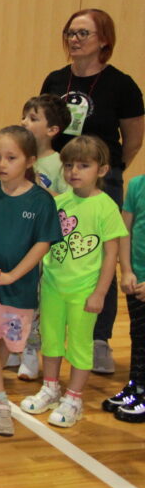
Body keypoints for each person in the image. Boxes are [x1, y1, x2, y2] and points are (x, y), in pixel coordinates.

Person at [40, 8, 144, 374]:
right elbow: (44, 127)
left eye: (83, 33)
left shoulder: (121, 84)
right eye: (70, 32)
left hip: (102, 180)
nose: (74, 39)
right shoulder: (55, 80)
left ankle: (99, 338)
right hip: (58, 176)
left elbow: (133, 139)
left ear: (104, 40)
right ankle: (46, 330)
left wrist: (107, 173)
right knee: (56, 248)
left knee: (100, 255)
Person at [0, 126, 61, 437]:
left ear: (29, 160)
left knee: (8, 341)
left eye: (11, 157)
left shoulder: (42, 201)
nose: (1, 164)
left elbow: (43, 244)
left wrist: (13, 276)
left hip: (19, 290)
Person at [20, 136, 126, 428]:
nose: (74, 171)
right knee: (52, 340)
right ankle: (51, 388)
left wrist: (100, 293)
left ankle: (74, 398)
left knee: (79, 345)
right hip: (53, 286)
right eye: (68, 165)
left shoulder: (106, 207)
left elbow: (111, 255)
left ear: (101, 170)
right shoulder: (58, 202)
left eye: (83, 165)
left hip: (84, 291)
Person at [5, 94, 73, 380]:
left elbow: (67, 203)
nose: (24, 122)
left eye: (33, 118)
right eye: (24, 116)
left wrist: (38, 189)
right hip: (16, 241)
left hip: (42, 244)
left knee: (35, 302)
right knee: (12, 297)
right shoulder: (16, 157)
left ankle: (31, 352)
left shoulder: (59, 164)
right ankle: (13, 346)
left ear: (53, 130)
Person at [107, 173, 145, 422]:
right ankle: (136, 386)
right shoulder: (137, 184)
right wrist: (127, 270)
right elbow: (126, 231)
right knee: (139, 336)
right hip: (137, 278)